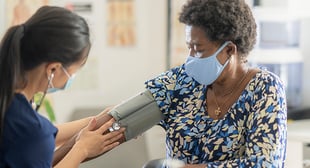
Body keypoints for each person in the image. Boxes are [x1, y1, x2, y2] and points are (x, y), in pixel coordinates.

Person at [144, 0, 287, 167]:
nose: (190, 58)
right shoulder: (182, 80)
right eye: (189, 47)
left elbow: (265, 164)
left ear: (229, 50)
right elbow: (123, 118)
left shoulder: (265, 88)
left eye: (199, 49)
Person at [0, 6, 124, 168]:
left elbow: (42, 138)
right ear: (53, 69)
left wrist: (99, 120)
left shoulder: (12, 105)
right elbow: (36, 137)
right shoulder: (33, 130)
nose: (72, 77)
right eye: (75, 70)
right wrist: (82, 150)